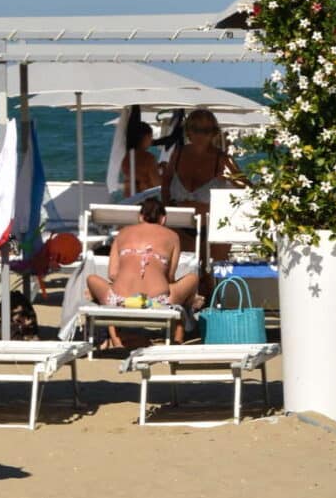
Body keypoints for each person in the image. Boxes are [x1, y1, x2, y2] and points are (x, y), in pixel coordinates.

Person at [86, 198, 201, 346]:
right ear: (163, 219)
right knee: (192, 279)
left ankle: (116, 338)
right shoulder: (172, 236)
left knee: (92, 279)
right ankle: (180, 332)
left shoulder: (123, 233)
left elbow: (112, 274)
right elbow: (170, 276)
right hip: (158, 302)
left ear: (140, 217)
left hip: (119, 301)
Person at [160, 110, 243, 271]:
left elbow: (246, 188)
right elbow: (165, 186)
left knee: (213, 279)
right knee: (183, 274)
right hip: (179, 227)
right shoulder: (178, 154)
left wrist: (230, 177)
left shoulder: (223, 159)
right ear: (188, 131)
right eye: (196, 129)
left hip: (213, 228)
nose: (200, 135)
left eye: (206, 131)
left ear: (214, 133)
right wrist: (165, 210)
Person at [121, 122, 161, 197]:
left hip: (128, 199)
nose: (151, 141)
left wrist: (157, 167)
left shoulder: (127, 157)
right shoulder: (148, 158)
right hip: (143, 200)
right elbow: (157, 184)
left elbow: (137, 174)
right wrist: (166, 172)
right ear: (145, 137)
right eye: (151, 137)